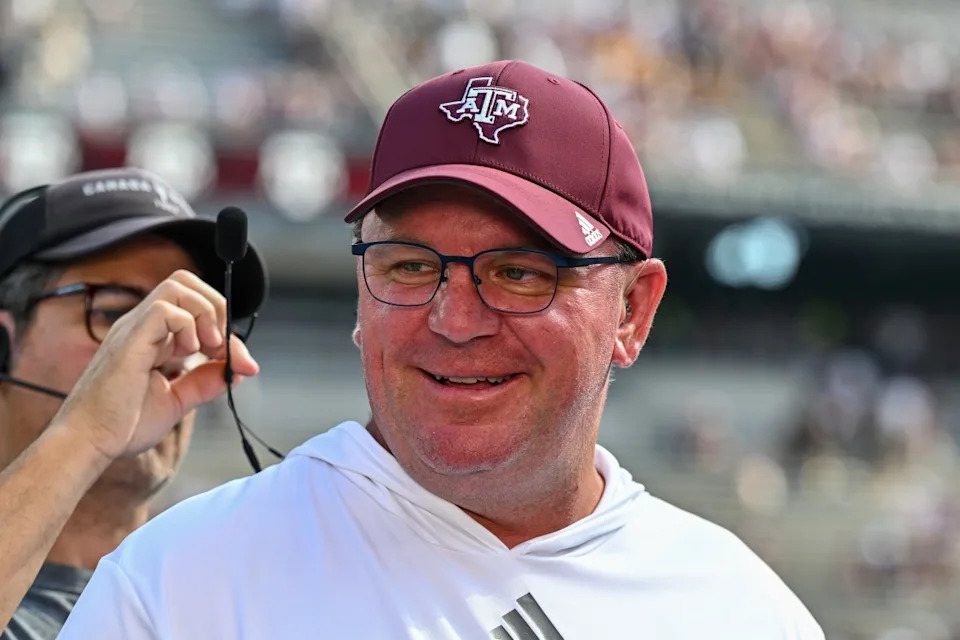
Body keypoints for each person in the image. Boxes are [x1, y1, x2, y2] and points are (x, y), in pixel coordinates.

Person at [59, 61, 824, 638]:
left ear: (632, 309)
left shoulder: (739, 611)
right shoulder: (178, 586)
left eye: (519, 273)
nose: (455, 319)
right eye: (410, 267)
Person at [0, 167, 266, 639]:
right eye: (117, 313)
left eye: (191, 317)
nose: (166, 345)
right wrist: (86, 434)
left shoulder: (243, 602)